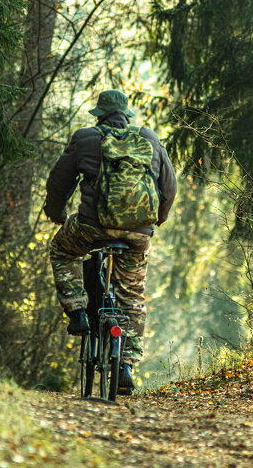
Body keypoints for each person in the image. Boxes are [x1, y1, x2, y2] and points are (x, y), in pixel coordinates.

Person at [44, 89, 177, 391]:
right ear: (126, 114)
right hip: (137, 233)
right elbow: (169, 188)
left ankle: (78, 310)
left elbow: (58, 183)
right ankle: (126, 366)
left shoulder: (85, 138)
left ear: (100, 114)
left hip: (91, 227)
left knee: (61, 250)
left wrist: (57, 214)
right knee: (131, 296)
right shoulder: (149, 138)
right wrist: (156, 219)